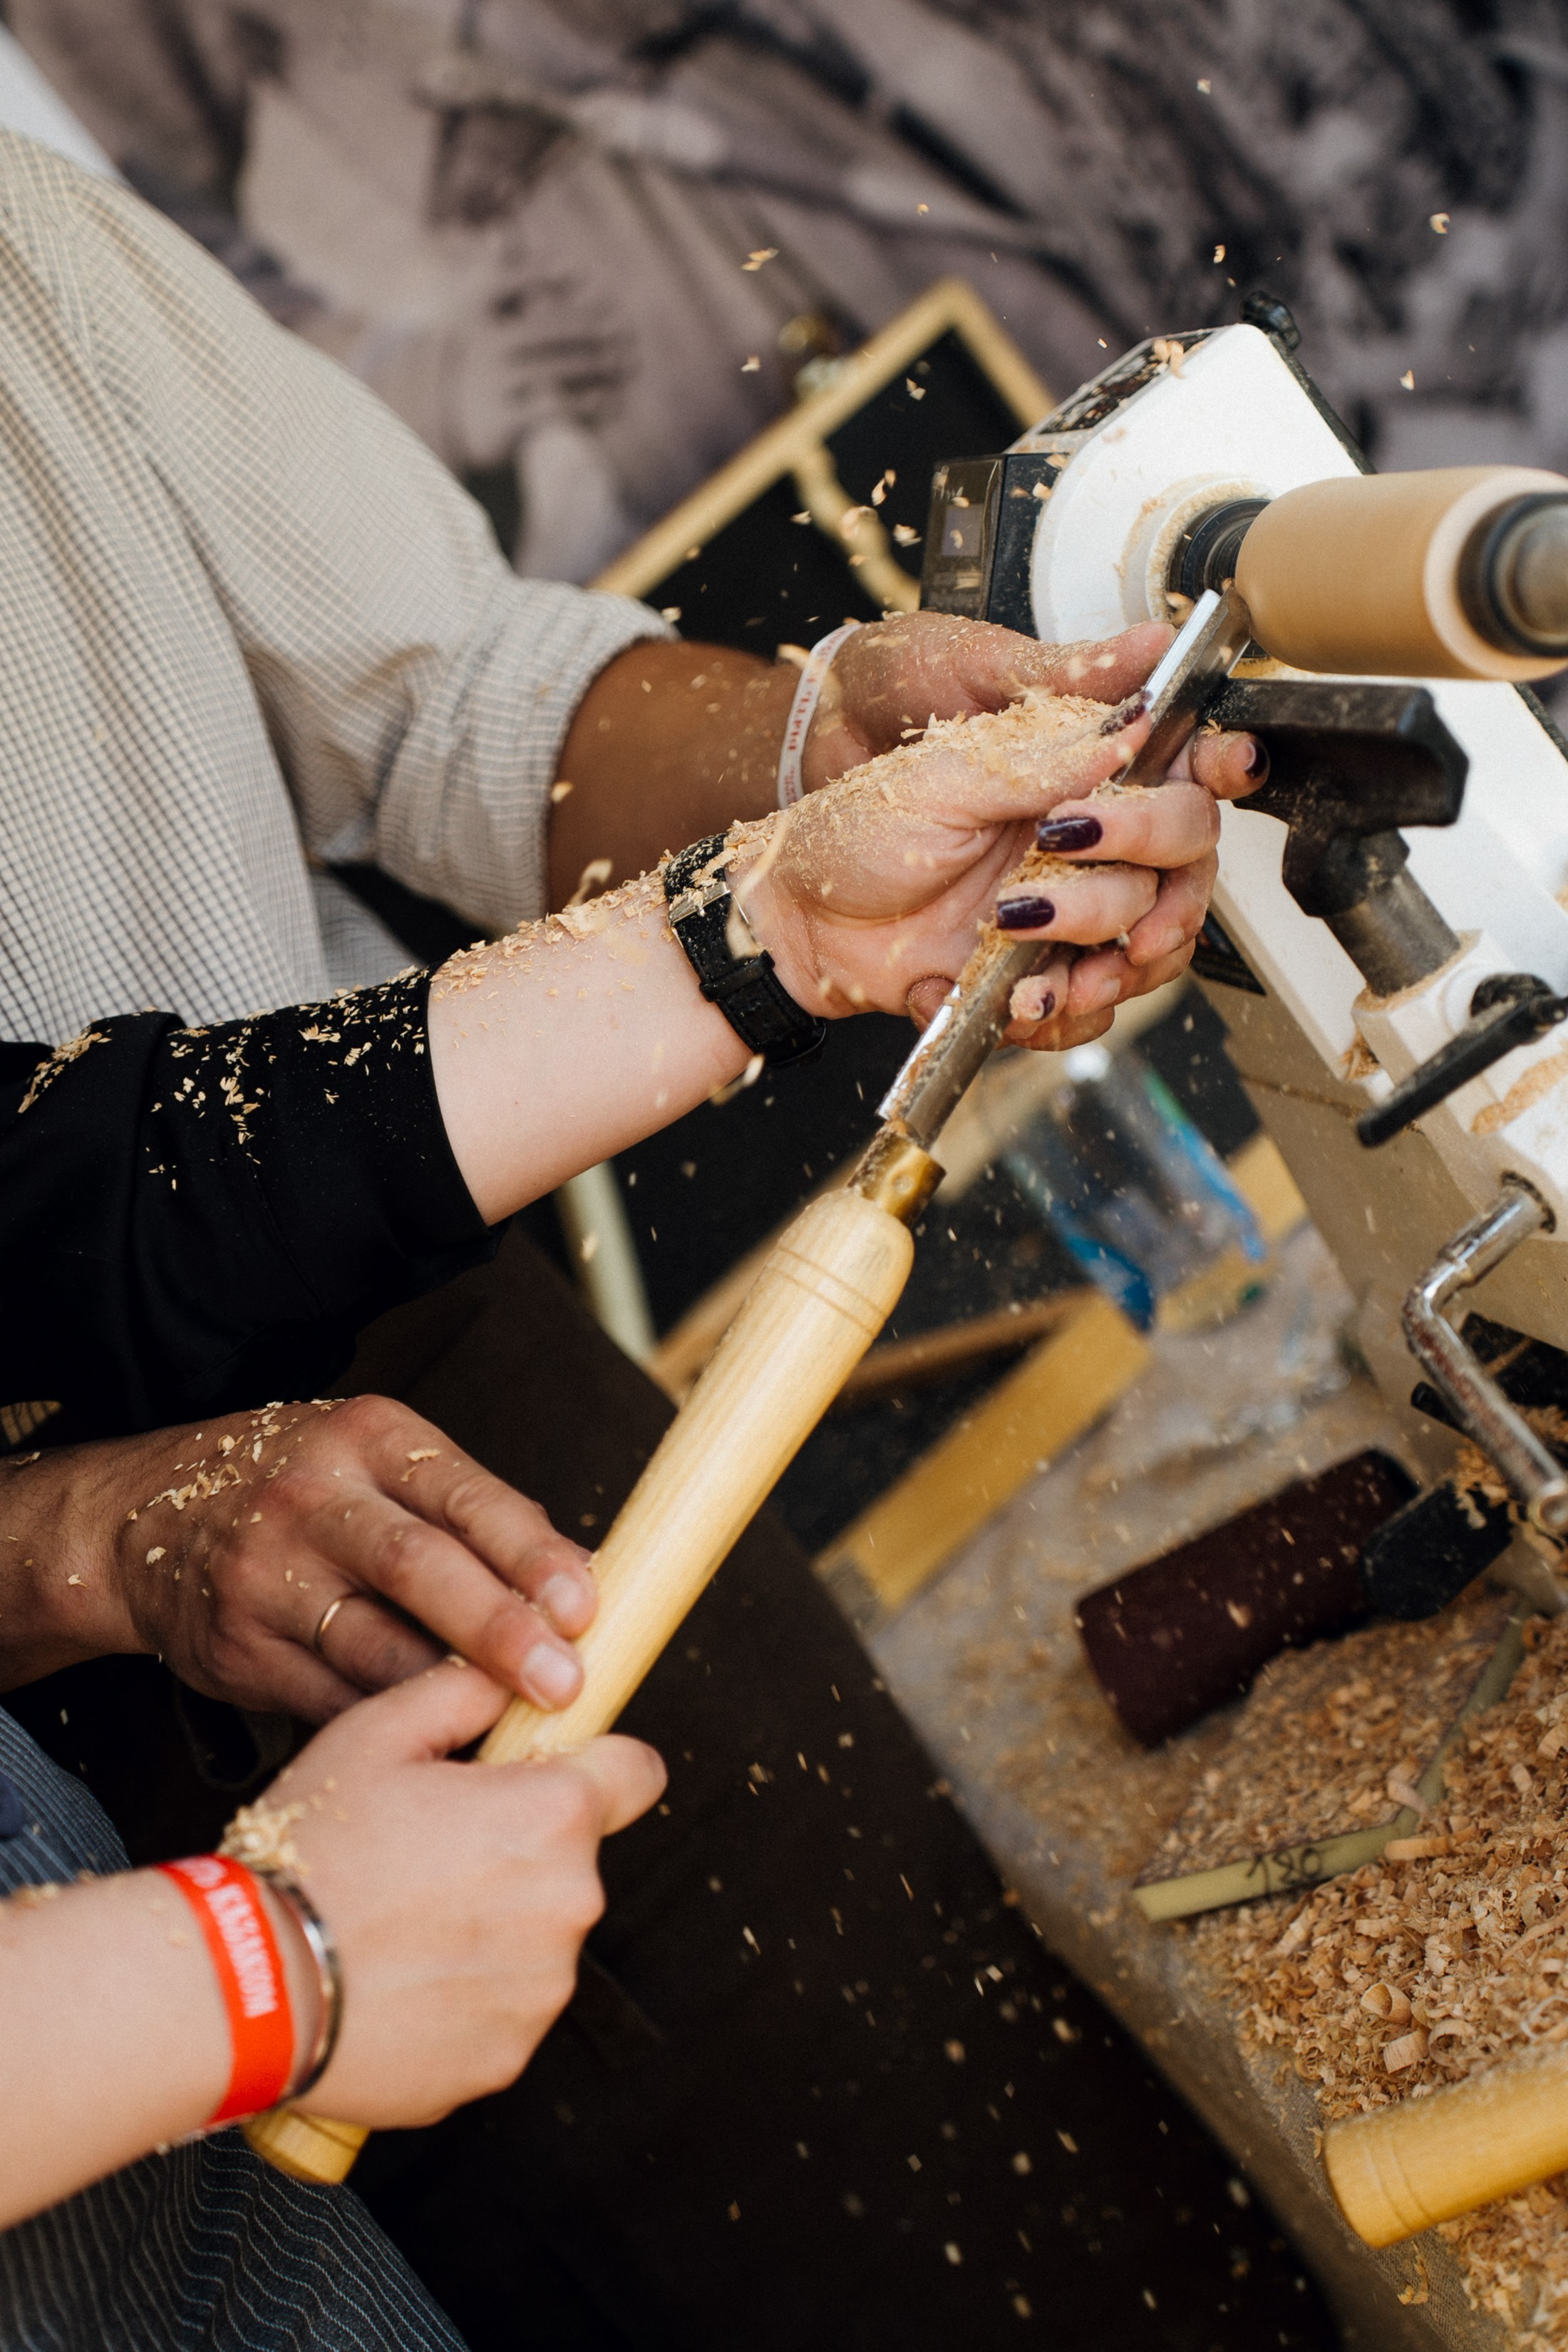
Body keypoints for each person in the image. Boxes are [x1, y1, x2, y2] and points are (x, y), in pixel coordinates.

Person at [0, 133, 1319, 2350]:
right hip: (76, 1667)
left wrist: (805, 751)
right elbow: (71, 1190)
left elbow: (448, 693)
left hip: (425, 1374)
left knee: (1018, 2197)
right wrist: (78, 1539)